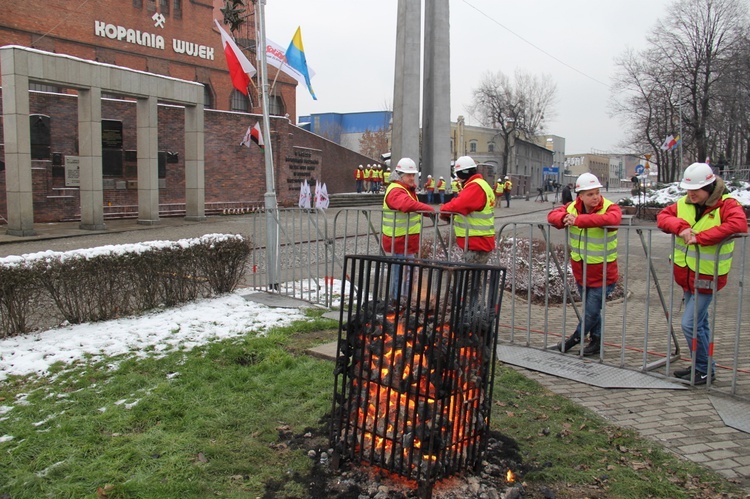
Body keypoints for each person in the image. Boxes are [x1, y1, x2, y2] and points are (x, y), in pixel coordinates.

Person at [656, 162, 748, 385]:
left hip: (707, 277)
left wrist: (701, 238)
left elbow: (739, 224)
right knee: (700, 324)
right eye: (688, 190)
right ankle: (702, 367)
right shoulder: (684, 203)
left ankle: (704, 368)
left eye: (695, 190)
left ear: (709, 187)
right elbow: (663, 217)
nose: (690, 194)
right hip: (687, 277)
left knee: (690, 324)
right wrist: (681, 227)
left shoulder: (727, 205)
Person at [548, 172, 621, 356]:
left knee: (590, 312)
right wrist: (562, 219)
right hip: (581, 271)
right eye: (590, 194)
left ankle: (574, 339)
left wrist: (579, 221)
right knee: (592, 311)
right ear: (580, 195)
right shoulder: (572, 207)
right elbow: (552, 215)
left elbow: (613, 220)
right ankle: (596, 341)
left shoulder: (609, 207)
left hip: (604, 273)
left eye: (597, 192)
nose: (595, 197)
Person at [381, 157, 435, 300]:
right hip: (399, 241)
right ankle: (398, 301)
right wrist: (428, 209)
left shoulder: (405, 189)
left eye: (413, 175)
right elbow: (406, 205)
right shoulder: (396, 190)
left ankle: (402, 299)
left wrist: (424, 211)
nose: (412, 178)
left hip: (406, 240)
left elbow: (411, 207)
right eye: (409, 175)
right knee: (401, 274)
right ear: (400, 175)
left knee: (406, 273)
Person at [439, 156, 496, 264]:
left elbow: (458, 205)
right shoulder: (481, 184)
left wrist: (443, 210)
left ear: (462, 173)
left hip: (476, 242)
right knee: (474, 277)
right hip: (479, 241)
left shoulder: (475, 187)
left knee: (470, 278)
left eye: (458, 175)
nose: (458, 178)